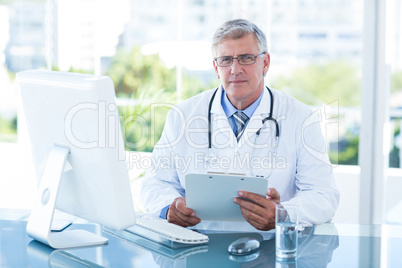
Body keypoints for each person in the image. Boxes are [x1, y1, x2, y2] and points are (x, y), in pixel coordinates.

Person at [138, 19, 339, 231]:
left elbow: (323, 195)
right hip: (197, 247)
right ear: (216, 68)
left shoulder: (301, 119)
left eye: (246, 58)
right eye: (226, 60)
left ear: (266, 63)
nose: (235, 69)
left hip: (270, 249)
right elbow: (154, 183)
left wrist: (283, 214)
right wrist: (169, 209)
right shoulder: (182, 116)